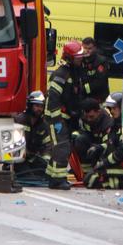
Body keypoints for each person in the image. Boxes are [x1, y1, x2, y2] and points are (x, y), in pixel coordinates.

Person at [44, 41, 87, 190]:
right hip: (55, 119)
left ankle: (53, 176)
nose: (80, 60)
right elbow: (53, 99)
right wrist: (56, 120)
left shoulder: (74, 73)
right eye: (78, 57)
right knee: (61, 147)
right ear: (69, 58)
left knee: (64, 147)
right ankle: (57, 180)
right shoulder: (61, 74)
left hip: (66, 119)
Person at [84, 92, 123, 189]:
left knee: (92, 179)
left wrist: (104, 163)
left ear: (122, 108)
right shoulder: (115, 124)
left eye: (114, 108)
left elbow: (122, 152)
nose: (112, 111)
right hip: (121, 164)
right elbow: (112, 144)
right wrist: (100, 147)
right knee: (90, 177)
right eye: (110, 109)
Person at [71, 98, 115, 183]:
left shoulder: (107, 122)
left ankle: (96, 170)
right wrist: (75, 135)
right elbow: (83, 131)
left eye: (91, 117)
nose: (89, 120)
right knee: (79, 140)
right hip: (92, 141)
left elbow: (110, 143)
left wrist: (98, 147)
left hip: (104, 146)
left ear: (98, 112)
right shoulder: (85, 118)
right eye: (86, 117)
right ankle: (84, 172)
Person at [13, 90, 51, 184]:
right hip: (20, 160)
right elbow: (15, 144)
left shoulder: (43, 125)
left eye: (41, 106)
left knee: (47, 174)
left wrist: (46, 159)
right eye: (37, 106)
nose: (39, 109)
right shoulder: (20, 121)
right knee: (30, 179)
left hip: (34, 159)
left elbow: (48, 145)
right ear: (30, 106)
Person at [81, 37, 111, 105]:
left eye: (89, 48)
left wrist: (83, 89)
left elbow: (100, 82)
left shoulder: (101, 61)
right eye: (84, 48)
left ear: (94, 48)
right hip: (84, 98)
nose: (86, 51)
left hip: (99, 99)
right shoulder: (80, 60)